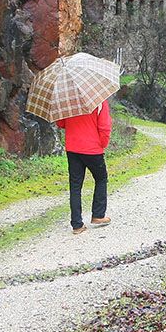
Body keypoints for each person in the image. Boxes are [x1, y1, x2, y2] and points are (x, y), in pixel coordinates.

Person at [56, 100, 112, 234]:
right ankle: (98, 215)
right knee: (101, 178)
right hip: (92, 149)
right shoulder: (99, 100)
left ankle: (77, 225)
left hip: (73, 147)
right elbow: (104, 126)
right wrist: (102, 144)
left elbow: (61, 123)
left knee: (75, 186)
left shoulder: (67, 99)